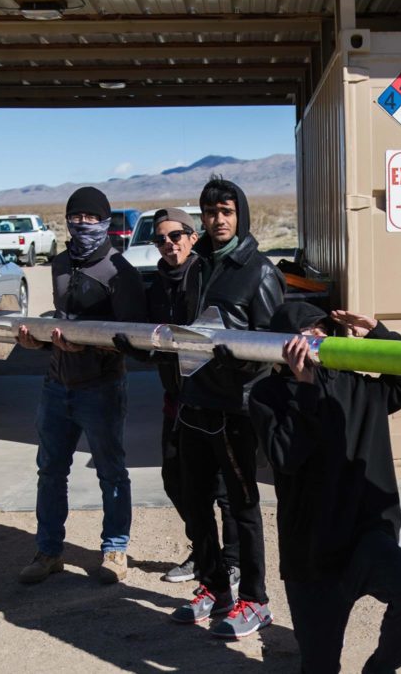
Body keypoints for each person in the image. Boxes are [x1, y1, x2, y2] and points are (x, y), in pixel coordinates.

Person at [249, 302, 401, 674]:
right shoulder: (267, 396)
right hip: (311, 552)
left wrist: (377, 330)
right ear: (283, 345)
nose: (317, 337)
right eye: (306, 331)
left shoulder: (356, 384)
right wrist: (304, 389)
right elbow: (286, 456)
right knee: (320, 666)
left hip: (367, 535)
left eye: (321, 329)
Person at [169, 176, 284, 639]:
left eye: (226, 211)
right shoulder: (195, 269)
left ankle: (255, 599)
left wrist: (234, 370)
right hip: (193, 404)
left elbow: (275, 345)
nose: (217, 220)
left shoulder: (259, 270)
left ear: (241, 215)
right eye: (210, 212)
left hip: (234, 411)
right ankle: (214, 587)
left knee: (242, 507)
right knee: (194, 501)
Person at [15, 186, 146, 585]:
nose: (83, 224)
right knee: (51, 471)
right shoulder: (57, 264)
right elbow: (61, 317)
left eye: (91, 217)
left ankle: (115, 549)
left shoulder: (120, 273)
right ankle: (49, 551)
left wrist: (89, 347)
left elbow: (131, 338)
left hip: (101, 387)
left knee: (112, 472)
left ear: (105, 221)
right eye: (77, 217)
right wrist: (35, 340)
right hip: (56, 384)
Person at [111, 208, 240, 585]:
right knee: (175, 479)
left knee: (222, 488)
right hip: (178, 401)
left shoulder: (209, 279)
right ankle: (205, 553)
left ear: (192, 237)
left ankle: (232, 561)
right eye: (160, 239)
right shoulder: (157, 287)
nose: (169, 244)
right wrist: (135, 349)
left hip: (215, 401)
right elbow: (156, 342)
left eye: (176, 236)